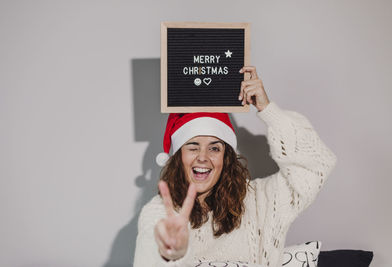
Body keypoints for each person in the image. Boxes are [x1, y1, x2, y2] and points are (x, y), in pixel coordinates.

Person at [133, 66, 337, 267]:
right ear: (178, 157)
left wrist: (267, 110)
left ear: (226, 158)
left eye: (214, 148)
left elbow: (317, 165)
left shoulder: (259, 201)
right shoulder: (159, 213)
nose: (203, 158)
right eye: (193, 147)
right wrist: (173, 253)